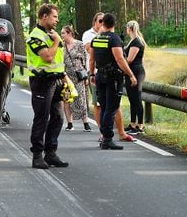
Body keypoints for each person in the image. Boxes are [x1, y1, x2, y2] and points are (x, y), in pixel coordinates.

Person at [26, 4, 69, 169]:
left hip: (56, 80)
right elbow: (48, 57)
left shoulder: (52, 34)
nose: (57, 20)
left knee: (58, 117)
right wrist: (57, 41)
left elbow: (58, 61)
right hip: (42, 82)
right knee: (42, 118)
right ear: (44, 16)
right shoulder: (35, 36)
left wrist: (66, 79)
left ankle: (51, 153)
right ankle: (37, 155)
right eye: (54, 17)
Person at [82, 13, 136, 143]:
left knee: (105, 107)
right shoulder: (114, 39)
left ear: (103, 23)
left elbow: (92, 60)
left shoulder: (96, 39)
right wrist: (131, 75)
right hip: (112, 78)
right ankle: (107, 138)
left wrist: (92, 74)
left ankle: (105, 136)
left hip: (99, 75)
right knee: (111, 108)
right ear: (114, 24)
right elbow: (119, 59)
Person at [61, 25, 92, 132]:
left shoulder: (79, 44)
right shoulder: (61, 46)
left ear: (69, 33)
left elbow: (86, 58)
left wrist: (86, 75)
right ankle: (70, 123)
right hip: (66, 76)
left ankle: (86, 123)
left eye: (63, 33)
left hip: (79, 76)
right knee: (66, 99)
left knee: (81, 99)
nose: (62, 35)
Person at [124, 20, 147, 134]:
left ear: (130, 29)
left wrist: (121, 65)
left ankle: (141, 125)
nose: (126, 30)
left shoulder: (136, 42)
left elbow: (129, 59)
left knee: (137, 98)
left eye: (127, 28)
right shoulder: (132, 41)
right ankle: (132, 124)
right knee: (132, 98)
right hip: (130, 72)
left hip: (137, 72)